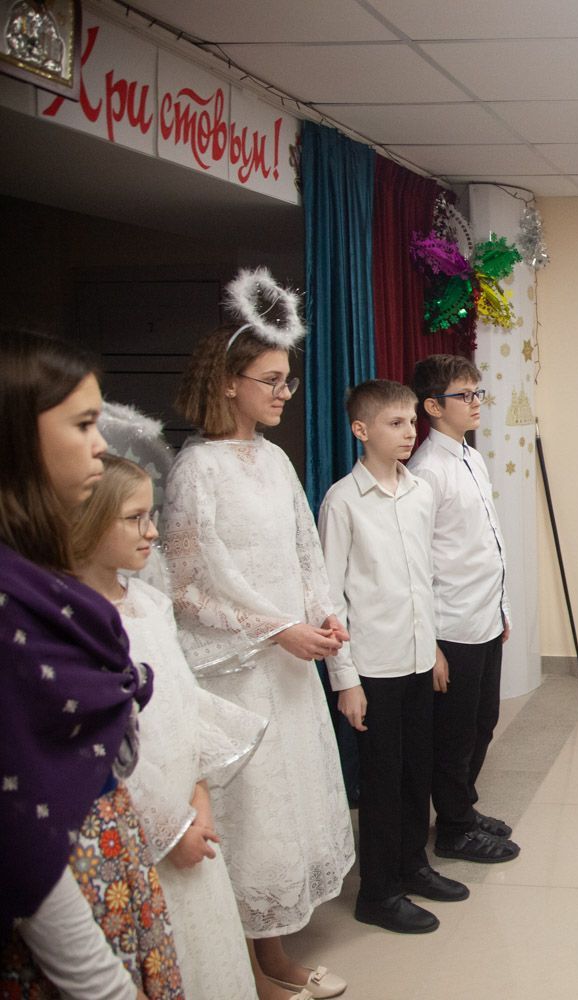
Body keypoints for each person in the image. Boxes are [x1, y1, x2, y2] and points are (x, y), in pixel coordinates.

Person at [161, 270, 354, 1000]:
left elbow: (305, 553)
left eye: (288, 382)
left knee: (287, 812)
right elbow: (185, 588)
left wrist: (325, 615)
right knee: (253, 817)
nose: (284, 393)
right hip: (237, 671)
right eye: (271, 380)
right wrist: (277, 629)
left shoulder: (275, 459)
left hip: (289, 665)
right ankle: (253, 968)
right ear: (228, 382)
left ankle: (271, 954)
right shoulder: (196, 469)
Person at [0, 329, 177, 1000]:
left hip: (105, 859)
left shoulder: (40, 579)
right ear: (16, 434)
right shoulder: (12, 604)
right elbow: (18, 831)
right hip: (62, 907)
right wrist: (102, 985)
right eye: (82, 425)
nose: (101, 444)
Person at [71, 454, 272, 1000]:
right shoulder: (75, 624)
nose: (153, 531)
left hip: (189, 812)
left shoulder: (152, 604)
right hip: (138, 834)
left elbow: (183, 707)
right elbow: (104, 751)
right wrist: (169, 827)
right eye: (134, 519)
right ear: (88, 522)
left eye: (152, 515)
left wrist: (199, 796)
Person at [320, 379, 467, 935]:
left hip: (416, 659)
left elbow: (421, 580)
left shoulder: (420, 492)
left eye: (411, 422)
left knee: (415, 772)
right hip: (373, 667)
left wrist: (433, 647)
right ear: (362, 430)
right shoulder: (342, 502)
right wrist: (346, 681)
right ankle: (377, 892)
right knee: (381, 782)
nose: (409, 433)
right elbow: (329, 599)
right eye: (395, 423)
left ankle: (412, 866)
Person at [407, 354, 520, 864]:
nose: (476, 403)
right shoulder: (426, 471)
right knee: (454, 735)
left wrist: (502, 607)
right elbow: (417, 562)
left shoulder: (471, 456)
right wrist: (430, 642)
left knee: (483, 721)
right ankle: (453, 829)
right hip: (451, 625)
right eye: (464, 395)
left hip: (484, 615)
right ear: (433, 406)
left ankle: (463, 809)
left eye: (478, 393)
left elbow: (486, 540)